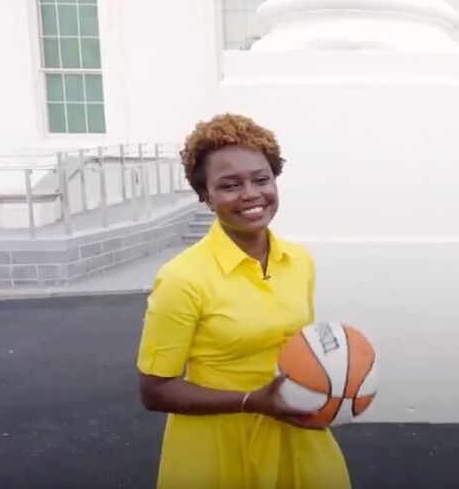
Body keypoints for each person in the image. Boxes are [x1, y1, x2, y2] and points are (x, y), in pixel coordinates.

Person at [136, 113, 351, 489]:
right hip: (218, 449)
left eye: (261, 179)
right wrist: (254, 400)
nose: (251, 194)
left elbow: (301, 352)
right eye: (230, 185)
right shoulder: (181, 278)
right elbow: (155, 391)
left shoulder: (299, 261)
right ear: (206, 195)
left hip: (297, 433)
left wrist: (333, 381)